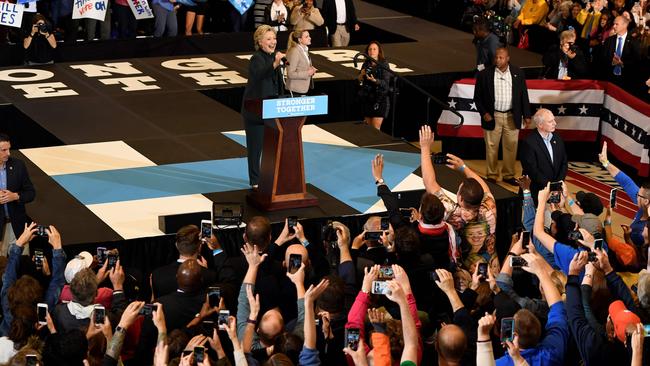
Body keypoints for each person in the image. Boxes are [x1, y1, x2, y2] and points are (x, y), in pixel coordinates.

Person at [473, 47, 531, 186]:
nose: (498, 60)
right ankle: (492, 175)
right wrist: (484, 113)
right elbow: (477, 97)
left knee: (511, 146)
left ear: (508, 58)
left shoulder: (517, 72)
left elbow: (523, 95)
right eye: (496, 57)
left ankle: (508, 175)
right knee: (492, 147)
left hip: (512, 116)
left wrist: (527, 115)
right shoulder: (485, 74)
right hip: (494, 117)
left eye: (501, 58)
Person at [241, 25, 285, 188]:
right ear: (260, 42)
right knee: (255, 148)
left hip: (273, 109)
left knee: (272, 147)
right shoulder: (257, 59)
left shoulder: (275, 57)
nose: (273, 42)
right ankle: (255, 180)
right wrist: (275, 63)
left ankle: (270, 177)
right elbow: (260, 74)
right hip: (255, 111)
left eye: (274, 38)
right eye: (268, 39)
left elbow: (279, 83)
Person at [520, 108, 567, 200]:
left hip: (555, 189)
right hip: (536, 192)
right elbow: (532, 170)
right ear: (540, 125)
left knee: (554, 213)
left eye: (554, 120)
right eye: (550, 121)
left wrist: (558, 184)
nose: (555, 123)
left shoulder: (557, 138)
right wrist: (550, 186)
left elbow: (564, 162)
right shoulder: (529, 142)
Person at [0, 134, 35, 257]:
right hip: (1, 229)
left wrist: (16, 196)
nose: (8, 153)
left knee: (23, 265)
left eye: (9, 149)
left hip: (18, 226)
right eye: (4, 150)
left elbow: (31, 193)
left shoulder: (18, 165)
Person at [600, 15, 642, 92]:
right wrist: (612, 62)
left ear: (625, 25)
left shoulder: (634, 42)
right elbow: (603, 58)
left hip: (627, 81)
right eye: (613, 24)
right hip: (610, 80)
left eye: (617, 24)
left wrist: (622, 63)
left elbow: (637, 61)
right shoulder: (609, 40)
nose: (614, 26)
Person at [357, 41, 391, 130]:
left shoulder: (384, 64)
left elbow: (386, 84)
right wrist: (361, 74)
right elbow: (359, 80)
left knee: (375, 128)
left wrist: (375, 80)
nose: (372, 51)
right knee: (368, 128)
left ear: (379, 51)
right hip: (367, 98)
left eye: (374, 49)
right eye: (370, 49)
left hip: (379, 100)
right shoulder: (366, 63)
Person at [285, 29, 317, 96]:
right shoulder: (295, 51)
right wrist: (308, 73)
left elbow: (301, 66)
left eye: (309, 36)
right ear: (300, 40)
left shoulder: (304, 50)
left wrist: (310, 69)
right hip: (295, 90)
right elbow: (290, 74)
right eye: (306, 37)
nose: (310, 38)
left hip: (303, 88)